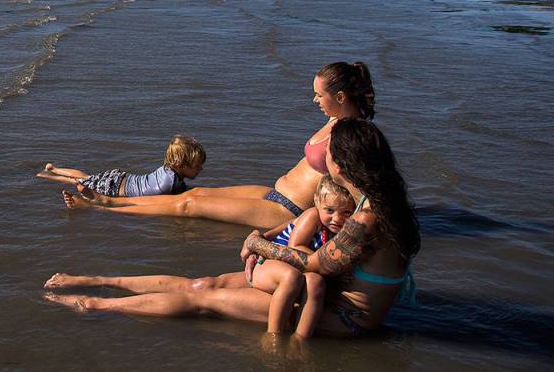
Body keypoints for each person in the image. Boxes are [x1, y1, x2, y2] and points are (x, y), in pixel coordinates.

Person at [43, 118, 420, 338]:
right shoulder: (382, 198)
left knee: (202, 299)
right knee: (204, 283)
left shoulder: (370, 213)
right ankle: (95, 280)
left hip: (343, 316)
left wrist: (259, 244)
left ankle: (94, 304)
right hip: (327, 294)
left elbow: (319, 265)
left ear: (342, 162)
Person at [61, 62, 375, 229]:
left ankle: (105, 205)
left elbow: (363, 189)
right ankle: (107, 200)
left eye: (320, 95)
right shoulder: (336, 121)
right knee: (192, 193)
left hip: (286, 210)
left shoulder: (353, 136)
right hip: (275, 191)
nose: (315, 100)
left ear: (341, 97)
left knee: (188, 206)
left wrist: (361, 226)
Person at [249, 175, 355, 336]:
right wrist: (330, 266)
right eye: (330, 210)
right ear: (317, 201)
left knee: (316, 282)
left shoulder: (338, 228)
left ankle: (301, 339)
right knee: (291, 277)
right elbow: (295, 246)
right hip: (267, 263)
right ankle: (273, 335)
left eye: (346, 212)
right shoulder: (313, 216)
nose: (337, 219)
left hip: (292, 269)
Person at [36, 134, 205, 197]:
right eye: (197, 166)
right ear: (180, 164)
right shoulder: (171, 184)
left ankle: (54, 169)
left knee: (86, 177)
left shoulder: (167, 169)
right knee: (79, 182)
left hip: (120, 177)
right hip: (114, 188)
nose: (200, 169)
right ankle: (45, 176)